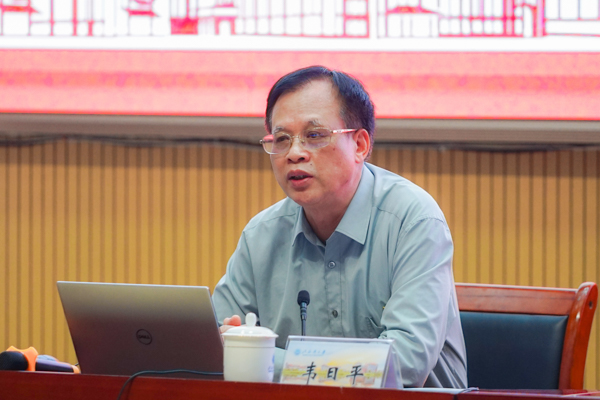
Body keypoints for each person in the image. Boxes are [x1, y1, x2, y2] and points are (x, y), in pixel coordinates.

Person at [212, 66, 467, 388]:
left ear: (360, 145)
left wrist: (261, 359)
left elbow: (406, 362)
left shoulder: (412, 221)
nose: (294, 153)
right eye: (282, 139)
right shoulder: (261, 235)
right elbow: (215, 344)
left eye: (314, 135)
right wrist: (227, 344)